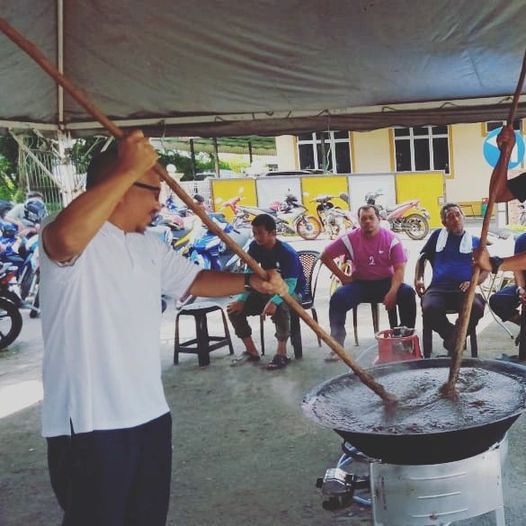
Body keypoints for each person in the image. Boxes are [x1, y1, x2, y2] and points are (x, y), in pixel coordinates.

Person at [39, 130, 286, 526]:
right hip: (91, 422)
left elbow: (193, 280)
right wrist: (127, 165)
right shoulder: (71, 235)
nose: (159, 203)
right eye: (152, 190)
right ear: (117, 184)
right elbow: (64, 239)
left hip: (150, 413)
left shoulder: (150, 244)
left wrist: (249, 282)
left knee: (147, 517)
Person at [321, 204, 416, 352]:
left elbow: (399, 270)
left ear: (378, 219)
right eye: (363, 218)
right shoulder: (349, 238)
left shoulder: (391, 239)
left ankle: (405, 339)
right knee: (337, 298)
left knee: (408, 293)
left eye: (371, 218)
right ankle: (337, 344)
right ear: (358, 221)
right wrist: (343, 277)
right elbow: (325, 256)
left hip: (386, 283)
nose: (367, 221)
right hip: (360, 284)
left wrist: (392, 292)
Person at [227, 213, 305, 370]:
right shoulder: (255, 248)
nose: (257, 237)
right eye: (254, 233)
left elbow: (290, 284)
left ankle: (281, 354)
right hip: (266, 289)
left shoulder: (286, 253)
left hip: (293, 292)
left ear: (273, 233)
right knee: (233, 309)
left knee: (280, 307)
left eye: (260, 233)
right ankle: (251, 351)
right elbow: (250, 276)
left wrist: (274, 302)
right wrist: (242, 299)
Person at [415, 203, 488, 354]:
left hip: (463, 289)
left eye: (458, 215)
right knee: (429, 308)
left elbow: (486, 269)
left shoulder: (475, 241)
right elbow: (422, 258)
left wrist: (473, 283)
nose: (455, 219)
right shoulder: (437, 236)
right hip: (438, 288)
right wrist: (419, 278)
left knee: (477, 307)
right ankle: (454, 339)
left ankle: (452, 342)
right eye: (450, 217)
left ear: (463, 217)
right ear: (444, 223)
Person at [487, 232, 526, 330]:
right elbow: (517, 268)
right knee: (497, 300)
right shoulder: (522, 239)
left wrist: (497, 264)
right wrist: (520, 289)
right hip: (524, 285)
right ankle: (522, 324)